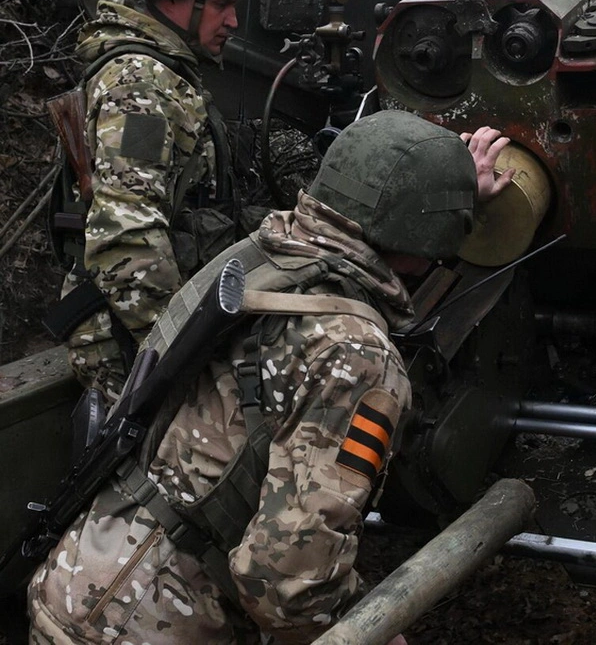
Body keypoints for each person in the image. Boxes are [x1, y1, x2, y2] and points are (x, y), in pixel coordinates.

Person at [28, 112, 512, 644]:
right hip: (155, 626)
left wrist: (449, 189)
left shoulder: (258, 258)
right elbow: (285, 589)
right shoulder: (358, 356)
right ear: (431, 230)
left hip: (78, 584)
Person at [46, 0, 264, 406]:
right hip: (131, 339)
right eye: (223, 5)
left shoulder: (166, 73)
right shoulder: (139, 85)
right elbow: (126, 238)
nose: (232, 21)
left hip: (147, 322)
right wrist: (182, 353)